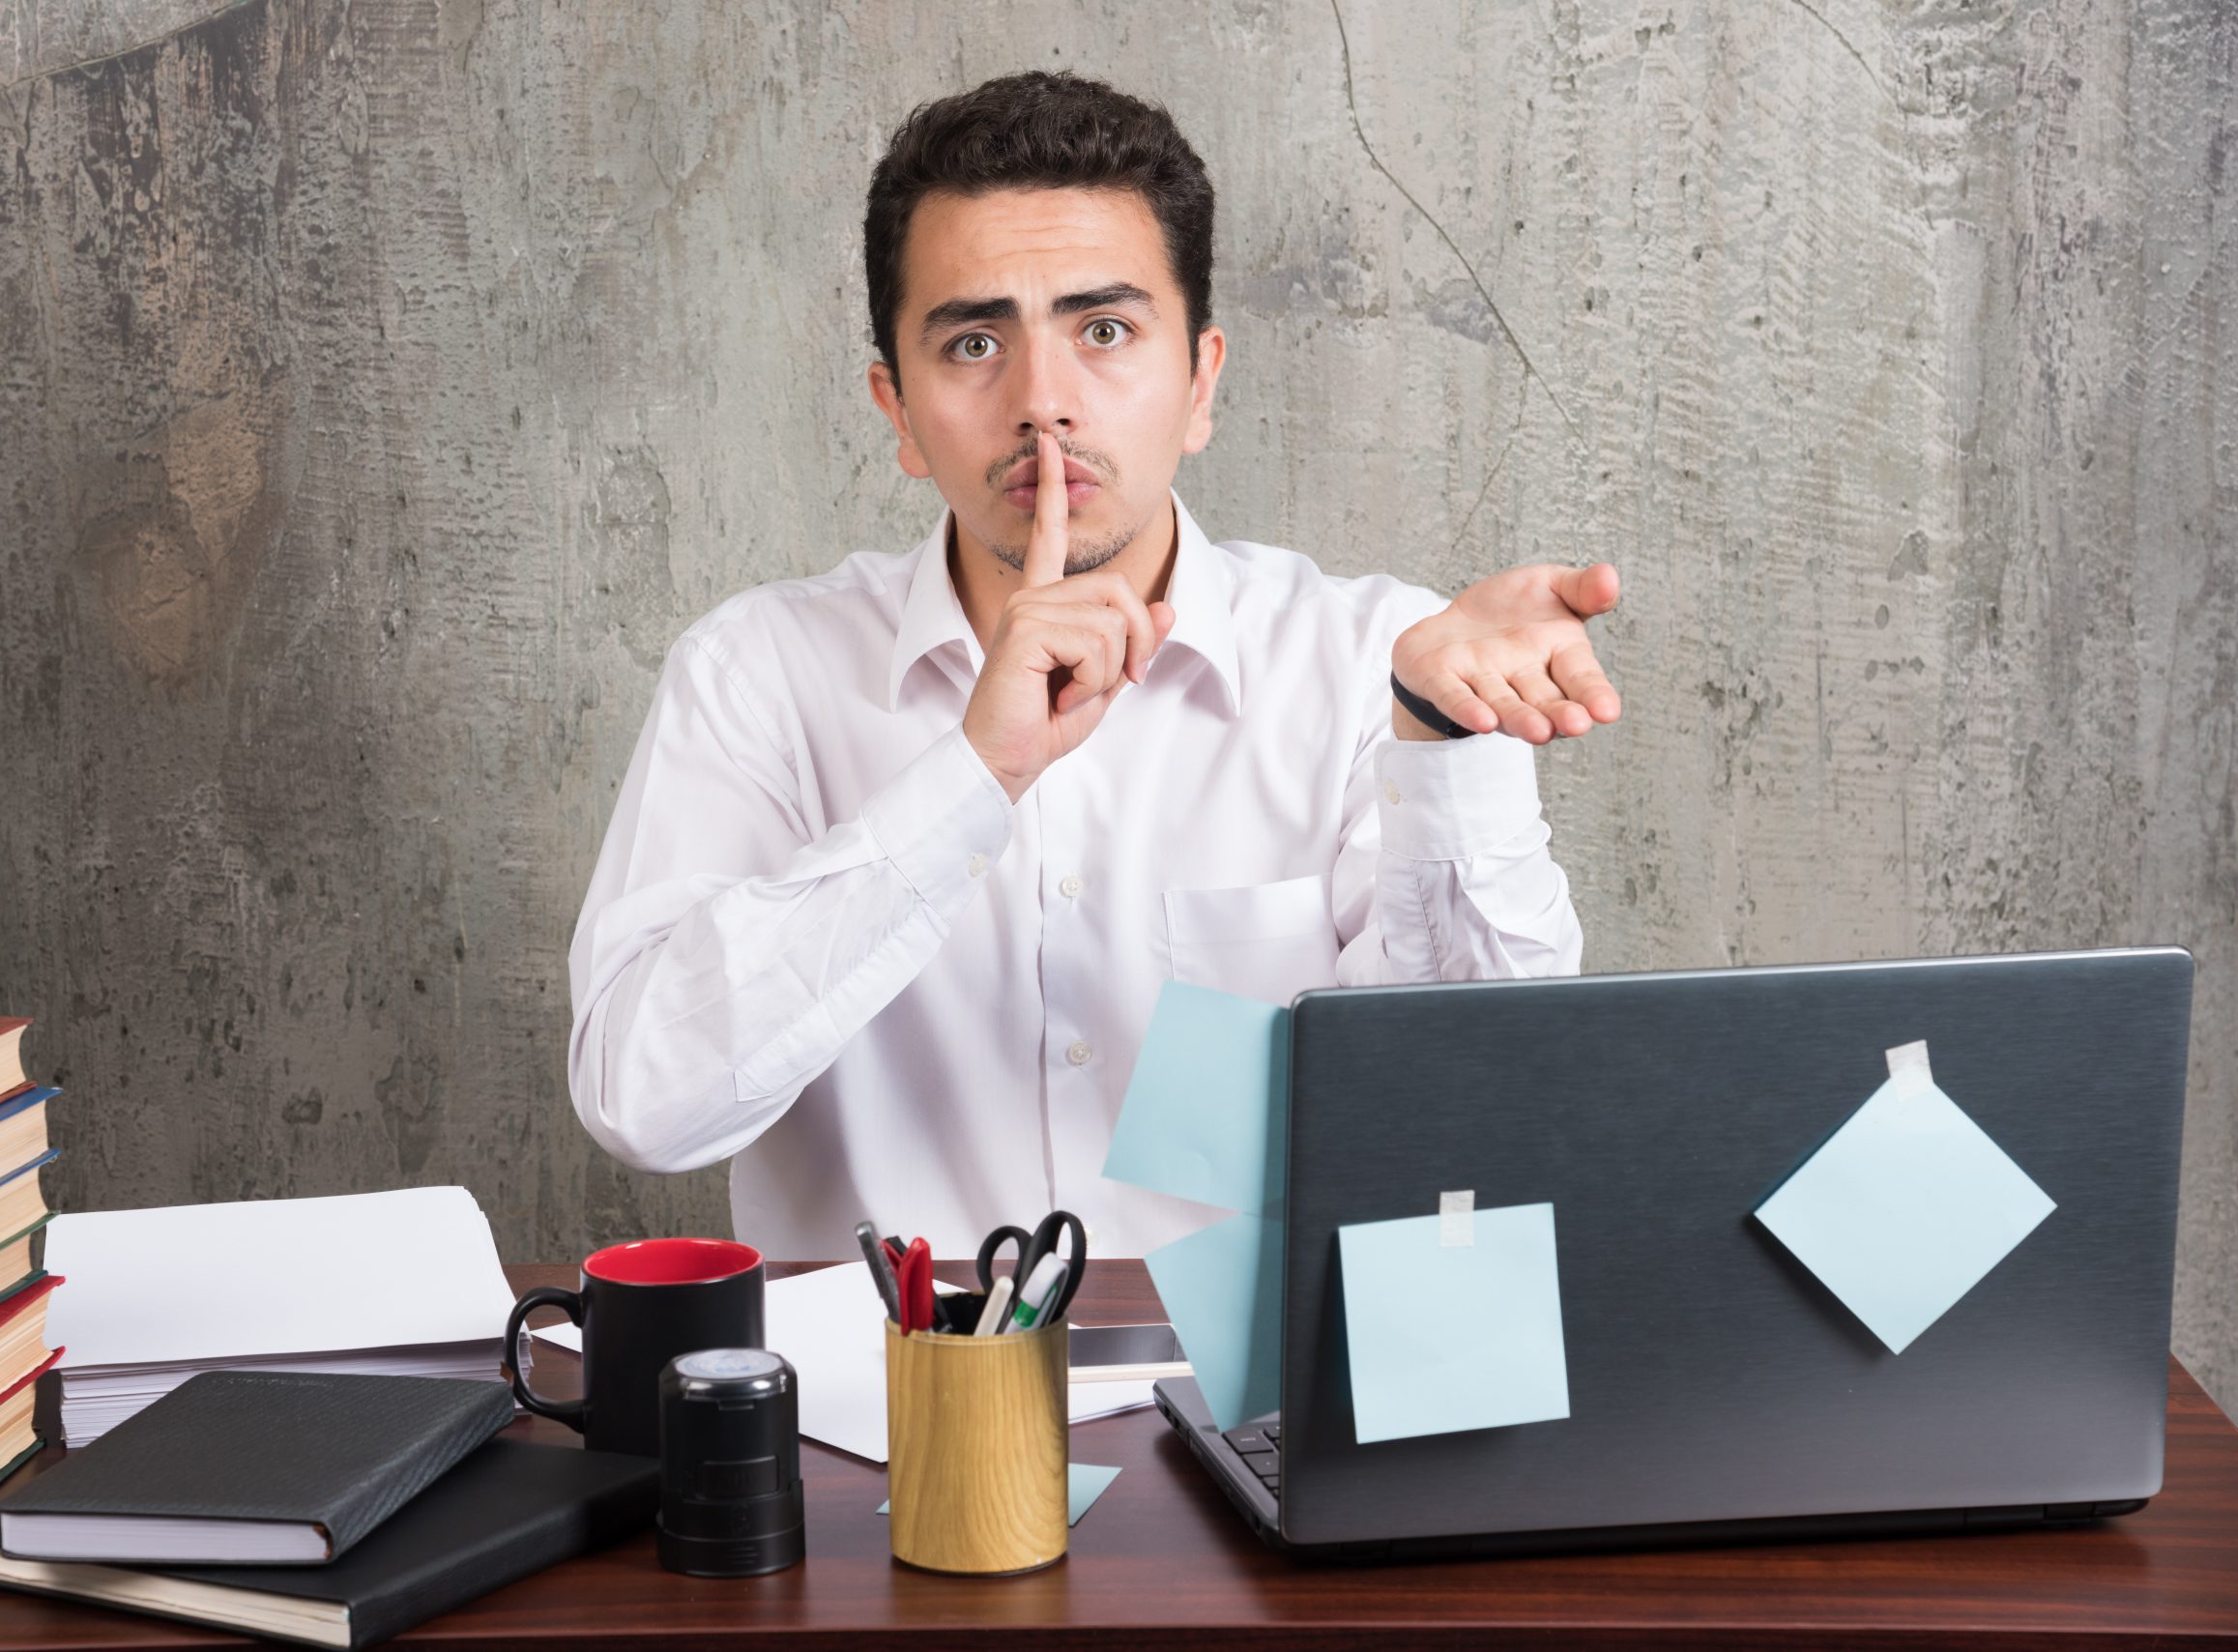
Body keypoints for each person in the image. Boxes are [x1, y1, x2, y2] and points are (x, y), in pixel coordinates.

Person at [567, 71, 1620, 1258]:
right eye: (973, 342)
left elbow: (1475, 1121)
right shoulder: (756, 672)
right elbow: (644, 1099)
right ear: (899, 414)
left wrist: (1446, 755)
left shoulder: (1366, 662)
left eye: (1104, 330)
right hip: (888, 1418)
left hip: (1254, 1416)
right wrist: (969, 780)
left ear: (1201, 382)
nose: (1043, 404)